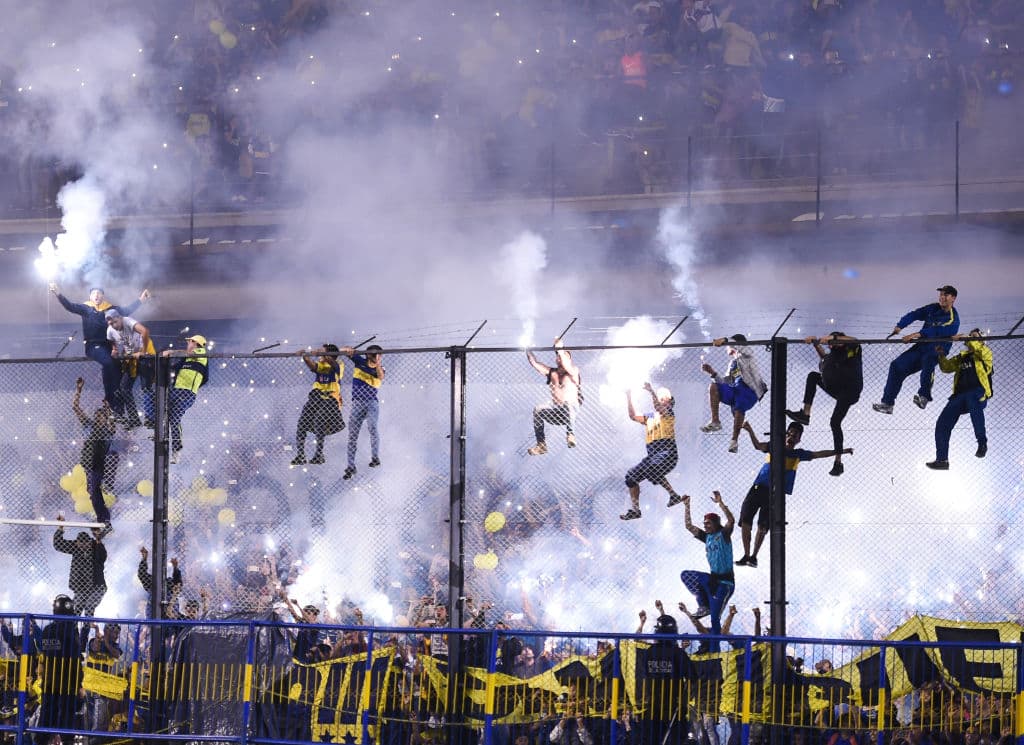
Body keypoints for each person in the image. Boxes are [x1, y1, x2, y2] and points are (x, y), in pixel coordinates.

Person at [735, 422, 853, 568]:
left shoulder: (798, 454)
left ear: (799, 440)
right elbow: (758, 446)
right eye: (790, 433)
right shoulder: (774, 446)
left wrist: (840, 451)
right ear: (785, 434)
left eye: (795, 435)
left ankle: (753, 556)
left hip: (774, 494)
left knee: (763, 525)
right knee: (745, 520)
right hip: (758, 488)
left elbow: (819, 454)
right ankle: (746, 555)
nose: (791, 436)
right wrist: (750, 430)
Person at [50, 284, 151, 419]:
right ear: (90, 296)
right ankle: (111, 402)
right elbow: (69, 306)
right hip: (93, 346)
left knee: (116, 369)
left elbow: (126, 311)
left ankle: (118, 410)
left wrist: (141, 300)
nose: (96, 295)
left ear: (103, 296)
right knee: (109, 363)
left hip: (108, 346)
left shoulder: (110, 309)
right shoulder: (86, 308)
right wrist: (58, 294)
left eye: (99, 293)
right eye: (94, 293)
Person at [873, 286, 960, 414]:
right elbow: (915, 314)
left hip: (937, 348)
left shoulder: (953, 318)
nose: (942, 297)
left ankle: (924, 396)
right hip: (921, 347)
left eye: (946, 295)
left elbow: (938, 331)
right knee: (896, 366)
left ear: (953, 298)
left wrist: (916, 334)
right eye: (941, 294)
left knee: (929, 360)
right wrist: (900, 325)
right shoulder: (933, 308)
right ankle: (887, 404)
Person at [786, 332, 863, 476]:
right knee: (813, 376)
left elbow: (855, 339)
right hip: (837, 388)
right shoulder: (833, 355)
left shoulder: (852, 349)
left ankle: (838, 462)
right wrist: (815, 343)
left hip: (850, 390)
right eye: (830, 344)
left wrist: (832, 338)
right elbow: (823, 356)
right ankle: (805, 414)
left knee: (835, 422)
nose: (830, 345)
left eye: (834, 343)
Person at [926, 329, 993, 470]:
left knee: (976, 411)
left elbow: (978, 349)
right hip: (959, 395)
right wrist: (941, 354)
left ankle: (982, 443)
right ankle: (942, 460)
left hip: (976, 391)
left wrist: (968, 339)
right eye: (970, 336)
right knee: (942, 423)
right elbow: (946, 368)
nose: (970, 337)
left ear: (981, 340)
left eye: (974, 336)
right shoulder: (961, 357)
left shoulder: (985, 352)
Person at [679, 491, 735, 652]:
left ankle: (714, 652)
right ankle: (703, 605)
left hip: (725, 583)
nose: (705, 525)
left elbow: (731, 520)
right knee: (686, 575)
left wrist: (720, 503)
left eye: (708, 523)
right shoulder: (707, 537)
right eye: (704, 523)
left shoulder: (723, 535)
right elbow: (689, 526)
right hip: (713, 580)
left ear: (716, 523)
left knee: (715, 620)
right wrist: (687, 505)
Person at [620, 382, 683, 520]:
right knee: (630, 477)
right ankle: (636, 510)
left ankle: (673, 495)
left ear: (670, 402)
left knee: (652, 469)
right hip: (653, 455)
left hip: (667, 453)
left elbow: (659, 408)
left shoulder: (669, 414)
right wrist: (628, 395)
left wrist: (651, 391)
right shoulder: (650, 417)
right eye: (660, 397)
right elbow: (633, 416)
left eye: (664, 398)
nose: (661, 399)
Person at [699, 335, 767, 453]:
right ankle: (715, 421)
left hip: (749, 391)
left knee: (740, 404)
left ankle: (734, 441)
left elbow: (743, 348)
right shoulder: (732, 364)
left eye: (728, 346)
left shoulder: (747, 355)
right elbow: (725, 382)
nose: (726, 348)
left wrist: (725, 340)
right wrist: (712, 372)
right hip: (735, 390)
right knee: (714, 386)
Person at [34, 594, 83, 745]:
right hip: (67, 682)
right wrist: (79, 682)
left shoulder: (48, 630)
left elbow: (45, 651)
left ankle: (42, 740)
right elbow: (75, 656)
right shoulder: (71, 631)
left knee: (48, 713)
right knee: (66, 714)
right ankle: (65, 740)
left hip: (52, 681)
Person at [72, 377, 117, 529]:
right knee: (92, 492)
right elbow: (76, 408)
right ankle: (103, 519)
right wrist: (78, 390)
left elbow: (113, 424)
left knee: (94, 492)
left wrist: (108, 409)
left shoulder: (107, 431)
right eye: (97, 416)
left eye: (101, 417)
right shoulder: (89, 425)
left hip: (96, 464)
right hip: (87, 463)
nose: (98, 419)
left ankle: (104, 520)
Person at [291, 344, 345, 465]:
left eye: (323, 352)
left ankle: (319, 455)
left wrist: (322, 354)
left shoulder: (339, 364)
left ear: (329, 355)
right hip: (316, 397)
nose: (320, 353)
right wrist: (305, 357)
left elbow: (335, 366)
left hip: (331, 398)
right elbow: (314, 367)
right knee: (302, 423)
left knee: (319, 421)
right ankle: (300, 455)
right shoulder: (322, 365)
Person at [526, 338, 582, 455]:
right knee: (538, 409)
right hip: (556, 413)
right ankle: (541, 445)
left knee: (567, 403)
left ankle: (570, 435)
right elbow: (535, 363)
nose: (561, 358)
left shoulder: (573, 372)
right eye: (559, 356)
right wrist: (527, 349)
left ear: (569, 359)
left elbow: (566, 363)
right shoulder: (553, 373)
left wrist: (560, 349)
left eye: (564, 357)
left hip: (570, 412)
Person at [162, 334, 210, 463]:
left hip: (187, 392)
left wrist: (171, 352)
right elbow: (175, 368)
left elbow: (189, 353)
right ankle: (163, 438)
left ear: (196, 343)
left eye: (190, 342)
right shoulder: (186, 359)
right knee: (166, 414)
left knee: (174, 418)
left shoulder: (201, 352)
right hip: (176, 390)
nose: (188, 344)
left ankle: (177, 449)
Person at [105, 308, 155, 429]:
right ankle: (134, 419)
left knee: (146, 388)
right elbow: (111, 341)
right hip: (132, 358)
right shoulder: (110, 330)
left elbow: (144, 331)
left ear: (120, 318)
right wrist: (114, 350)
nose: (113, 325)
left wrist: (142, 352)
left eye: (115, 322)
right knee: (124, 387)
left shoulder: (128, 321)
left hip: (145, 355)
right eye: (110, 323)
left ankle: (151, 419)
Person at [342, 344, 385, 479]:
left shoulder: (380, 369)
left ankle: (375, 458)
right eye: (374, 355)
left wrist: (377, 364)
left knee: (373, 427)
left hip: (371, 402)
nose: (376, 357)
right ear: (367, 355)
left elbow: (381, 377)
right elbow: (343, 350)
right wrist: (348, 349)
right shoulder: (360, 361)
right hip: (357, 403)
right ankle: (350, 466)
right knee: (352, 436)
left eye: (379, 355)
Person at [53, 516, 108, 618]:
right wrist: (60, 528)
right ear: (77, 542)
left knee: (89, 608)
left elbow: (102, 558)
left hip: (97, 586)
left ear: (89, 542)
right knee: (74, 613)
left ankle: (85, 630)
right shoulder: (75, 546)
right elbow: (58, 544)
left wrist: (98, 539)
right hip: (81, 588)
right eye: (80, 544)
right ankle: (74, 632)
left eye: (86, 544)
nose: (83, 546)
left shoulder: (96, 545)